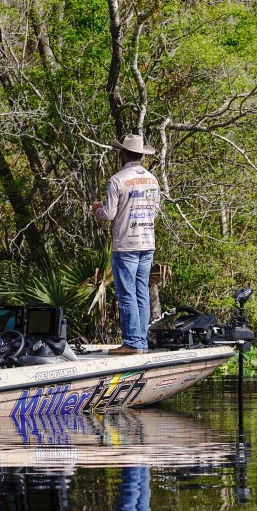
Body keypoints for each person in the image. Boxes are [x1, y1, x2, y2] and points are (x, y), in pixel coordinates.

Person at [91, 134, 160, 354]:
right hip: (147, 243)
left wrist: (97, 210)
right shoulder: (152, 180)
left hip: (126, 244)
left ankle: (132, 343)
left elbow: (109, 214)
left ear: (123, 154)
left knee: (127, 294)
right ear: (141, 155)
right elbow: (155, 211)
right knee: (141, 293)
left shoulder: (117, 180)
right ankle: (141, 342)